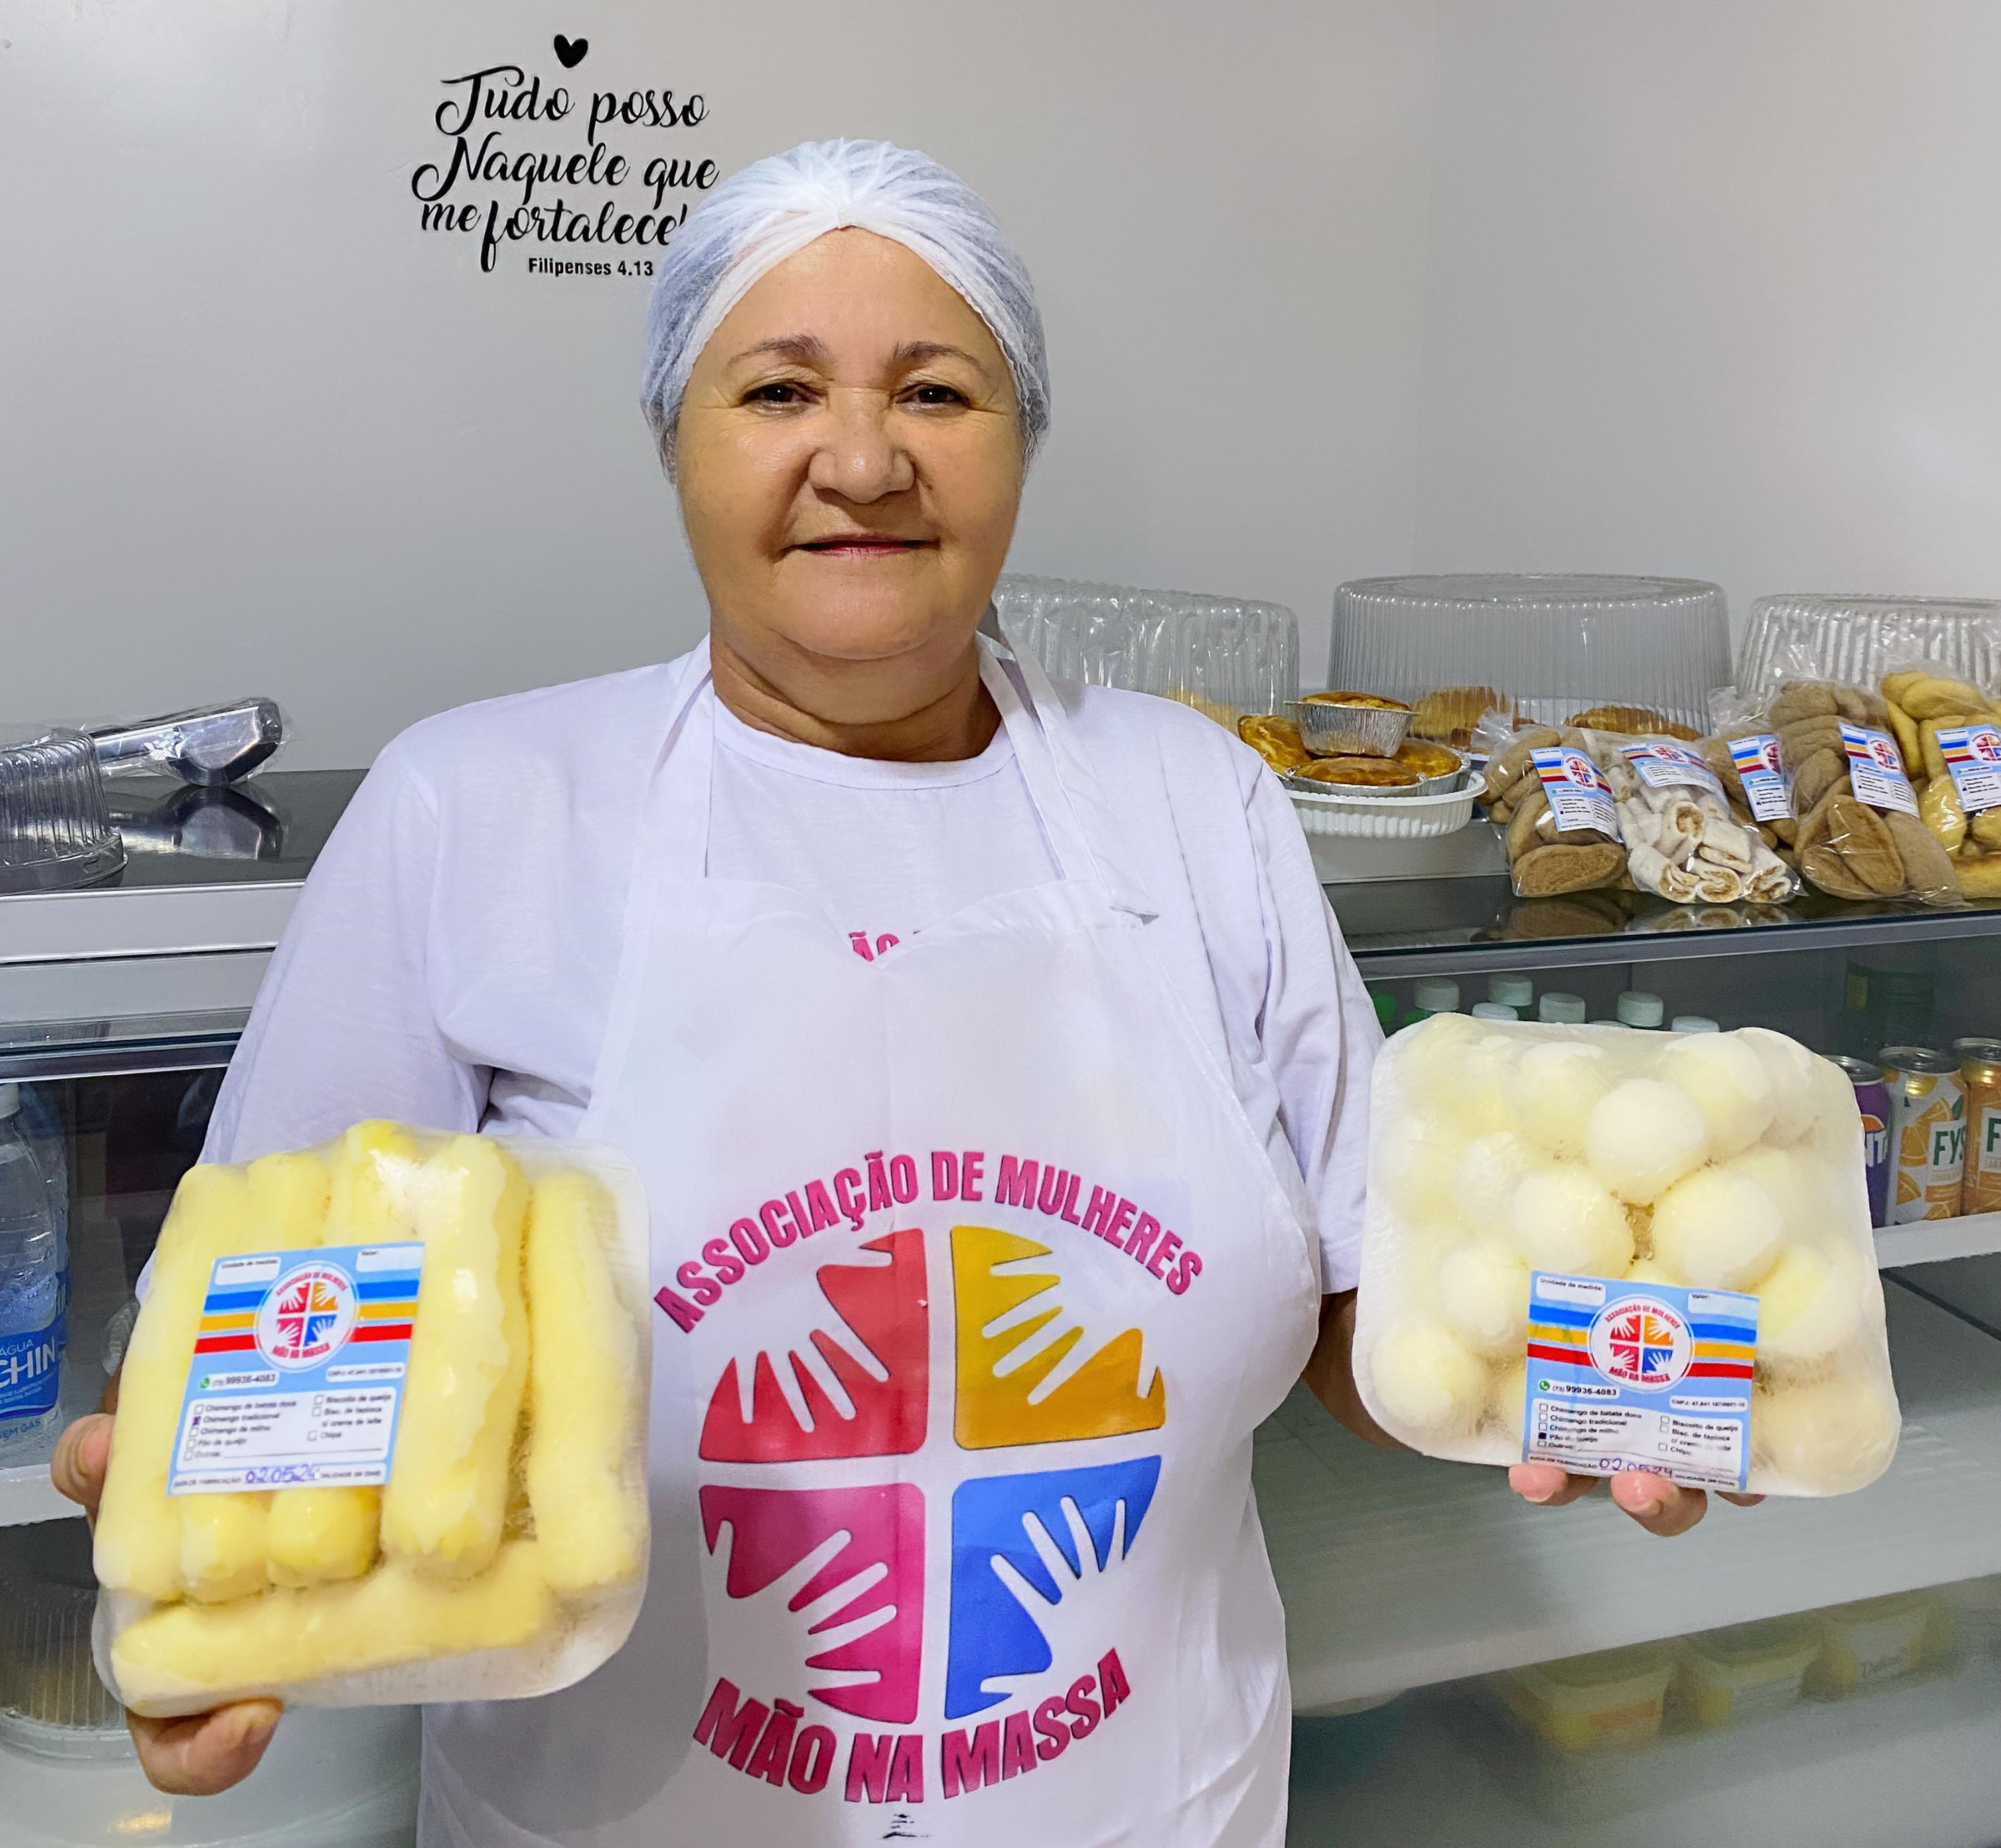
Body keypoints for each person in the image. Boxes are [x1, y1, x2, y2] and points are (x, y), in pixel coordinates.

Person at [53, 139, 1745, 1845]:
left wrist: (1606, 1390)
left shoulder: (1195, 798)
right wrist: (223, 1600)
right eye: (777, 388)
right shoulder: (474, 812)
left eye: (938, 392)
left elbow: (1354, 1297)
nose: (860, 461)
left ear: (1020, 446)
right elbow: (288, 1319)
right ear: (677, 442)